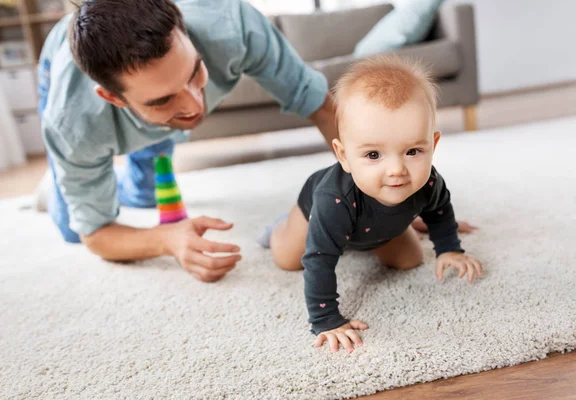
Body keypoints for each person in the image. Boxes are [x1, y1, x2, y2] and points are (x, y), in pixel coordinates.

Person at [37, 0, 338, 282]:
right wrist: (166, 239)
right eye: (163, 99)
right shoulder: (73, 124)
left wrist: (366, 180)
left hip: (140, 117)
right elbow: (97, 235)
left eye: (195, 72)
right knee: (73, 229)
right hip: (61, 70)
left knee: (145, 194)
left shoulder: (231, 23)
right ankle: (64, 179)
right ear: (113, 98)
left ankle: (97, 171)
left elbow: (322, 107)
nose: (196, 107)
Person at [264, 56, 483, 353]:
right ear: (343, 155)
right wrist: (326, 319)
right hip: (317, 212)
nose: (396, 170)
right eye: (373, 155)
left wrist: (449, 248)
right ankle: (280, 227)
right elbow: (319, 261)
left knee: (410, 260)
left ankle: (399, 223)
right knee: (289, 259)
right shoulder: (333, 200)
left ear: (433, 145)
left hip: (373, 225)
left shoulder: (428, 181)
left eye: (413, 151)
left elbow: (439, 209)